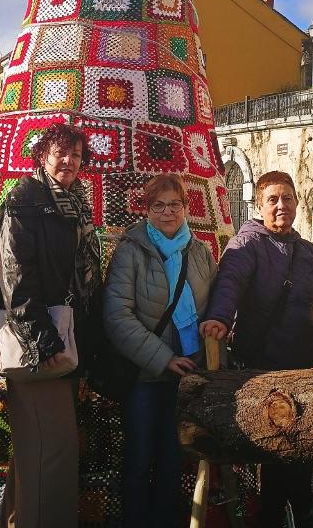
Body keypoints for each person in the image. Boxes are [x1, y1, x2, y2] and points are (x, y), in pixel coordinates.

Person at [200, 171, 313, 528]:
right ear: (259, 205)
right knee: (274, 453)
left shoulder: (309, 252)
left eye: (287, 198)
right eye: (273, 199)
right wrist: (219, 319)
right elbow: (230, 282)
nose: (281, 205)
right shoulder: (247, 244)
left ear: (297, 203)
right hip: (264, 365)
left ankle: (302, 517)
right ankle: (274, 519)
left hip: (305, 366)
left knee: (303, 454)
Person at [0, 122, 101, 528]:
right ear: (42, 156)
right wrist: (44, 339)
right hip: (43, 343)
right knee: (52, 451)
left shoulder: (73, 204)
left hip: (67, 336)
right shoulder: (24, 201)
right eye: (61, 153)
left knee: (34, 451)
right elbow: (16, 277)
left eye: (76, 155)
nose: (69, 161)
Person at [104, 173, 217, 528]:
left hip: (189, 374)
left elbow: (215, 304)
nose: (167, 212)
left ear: (186, 207)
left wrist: (209, 341)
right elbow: (117, 315)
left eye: (174, 205)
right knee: (139, 459)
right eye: (158, 205)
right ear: (146, 209)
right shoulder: (131, 250)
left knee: (173, 459)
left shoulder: (199, 252)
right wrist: (163, 358)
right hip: (146, 375)